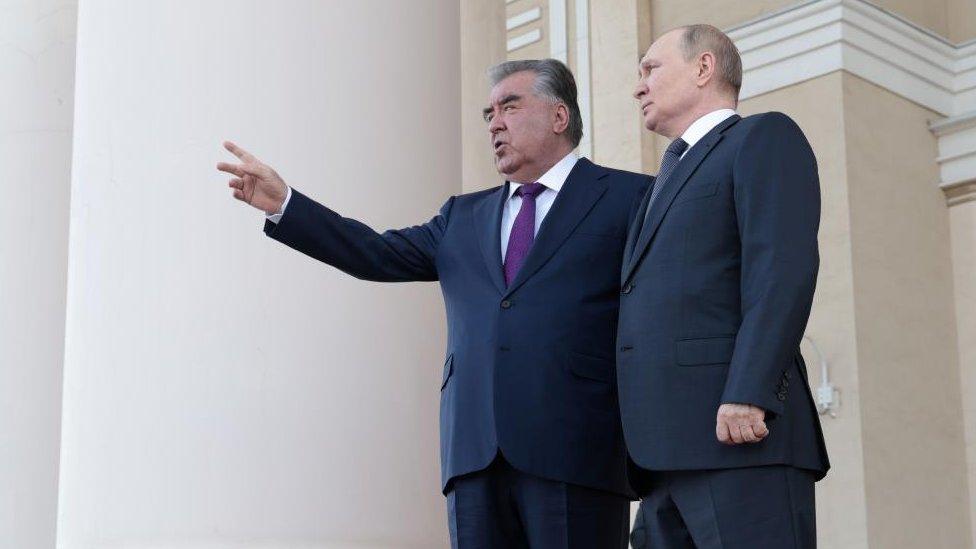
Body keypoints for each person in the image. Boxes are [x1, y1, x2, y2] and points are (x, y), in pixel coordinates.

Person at [217, 58, 649, 548]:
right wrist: (286, 204)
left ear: (559, 116)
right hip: (474, 457)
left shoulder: (629, 197)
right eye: (489, 114)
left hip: (579, 453)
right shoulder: (461, 217)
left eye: (510, 105)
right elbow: (373, 253)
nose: (496, 123)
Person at [617, 24, 830, 549]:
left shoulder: (762, 137)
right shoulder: (658, 186)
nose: (638, 86)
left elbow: (782, 270)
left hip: (740, 440)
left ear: (704, 68)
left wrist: (749, 392)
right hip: (661, 462)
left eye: (651, 69)